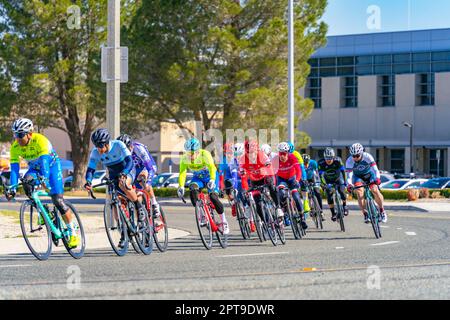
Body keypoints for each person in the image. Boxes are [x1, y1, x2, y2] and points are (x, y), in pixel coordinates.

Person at [8, 118, 79, 248]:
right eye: (15, 135)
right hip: (35, 168)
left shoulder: (40, 140)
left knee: (58, 200)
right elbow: (14, 170)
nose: (17, 138)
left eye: (20, 135)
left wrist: (44, 179)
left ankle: (72, 232)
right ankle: (44, 211)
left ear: (29, 134)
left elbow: (45, 164)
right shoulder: (15, 147)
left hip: (51, 167)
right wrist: (12, 187)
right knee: (27, 185)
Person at [84, 128, 146, 229]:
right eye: (96, 146)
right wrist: (88, 181)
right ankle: (122, 229)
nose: (98, 149)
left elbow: (130, 161)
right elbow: (90, 170)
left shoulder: (118, 145)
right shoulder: (95, 152)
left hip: (128, 169)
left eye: (100, 146)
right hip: (113, 174)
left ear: (106, 143)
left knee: (123, 184)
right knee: (114, 200)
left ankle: (138, 207)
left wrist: (125, 173)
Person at [177, 138, 229, 235]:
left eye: (192, 153)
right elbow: (182, 173)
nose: (190, 155)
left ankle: (224, 221)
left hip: (211, 176)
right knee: (192, 188)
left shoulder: (205, 154)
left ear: (197, 151)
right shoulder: (184, 158)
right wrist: (181, 186)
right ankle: (202, 214)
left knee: (213, 197)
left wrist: (213, 180)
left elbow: (212, 167)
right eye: (188, 153)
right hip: (198, 179)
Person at [238, 140, 283, 222]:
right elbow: (243, 177)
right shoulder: (242, 159)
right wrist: (245, 189)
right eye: (249, 153)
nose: (252, 156)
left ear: (257, 150)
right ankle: (266, 222)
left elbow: (270, 170)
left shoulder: (262, 155)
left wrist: (272, 183)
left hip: (265, 176)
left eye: (254, 153)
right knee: (258, 203)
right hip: (254, 180)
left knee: (272, 187)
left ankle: (278, 207)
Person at [116, 134, 160, 217]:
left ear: (131, 146)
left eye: (127, 149)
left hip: (145, 166)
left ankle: (154, 203)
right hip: (132, 170)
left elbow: (150, 168)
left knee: (142, 179)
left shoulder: (138, 149)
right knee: (136, 194)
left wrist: (148, 182)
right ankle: (142, 219)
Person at [346, 143, 387, 223]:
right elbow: (349, 176)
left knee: (374, 190)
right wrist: (349, 184)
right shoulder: (349, 161)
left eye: (357, 156)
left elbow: (375, 170)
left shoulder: (367, 156)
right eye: (353, 156)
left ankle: (382, 211)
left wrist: (378, 178)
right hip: (357, 177)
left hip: (369, 174)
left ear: (361, 153)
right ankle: (365, 214)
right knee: (359, 192)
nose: (355, 158)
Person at [274, 142, 307, 229]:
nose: (282, 156)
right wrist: (273, 184)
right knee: (280, 194)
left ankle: (302, 217)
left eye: (284, 154)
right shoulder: (275, 159)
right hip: (281, 179)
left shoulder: (292, 157)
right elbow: (272, 174)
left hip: (292, 178)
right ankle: (284, 212)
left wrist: (297, 180)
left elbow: (299, 170)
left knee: (296, 196)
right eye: (280, 154)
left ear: (288, 153)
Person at [318, 147, 348, 222]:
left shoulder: (338, 161)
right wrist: (323, 184)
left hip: (338, 178)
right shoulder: (321, 163)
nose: (328, 160)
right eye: (327, 158)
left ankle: (344, 206)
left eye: (330, 158)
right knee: (329, 195)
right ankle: (333, 213)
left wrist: (345, 182)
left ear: (333, 157)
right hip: (328, 181)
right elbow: (320, 176)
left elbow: (343, 172)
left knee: (342, 192)